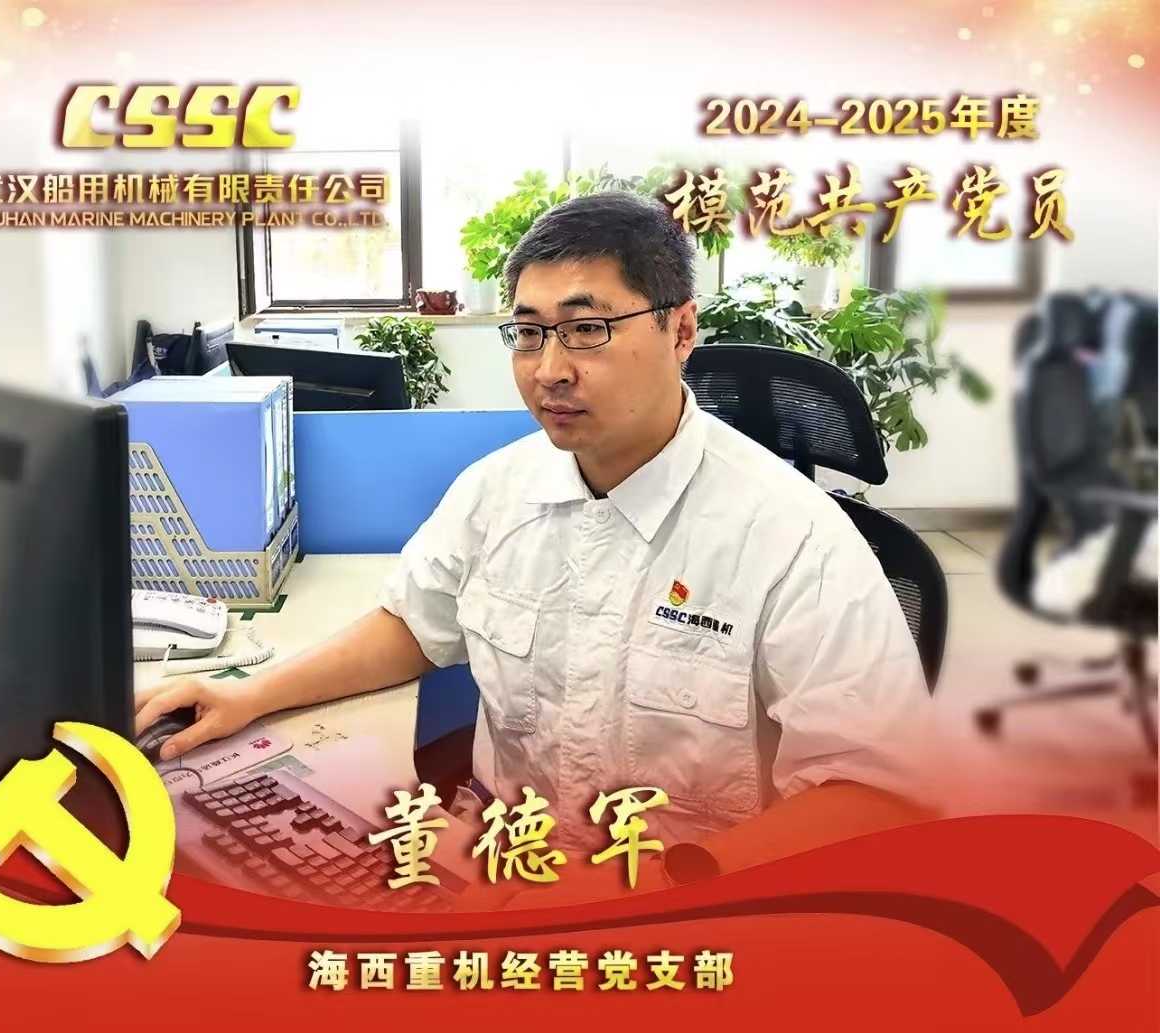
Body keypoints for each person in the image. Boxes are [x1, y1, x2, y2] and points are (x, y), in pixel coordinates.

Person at [136, 192, 934, 898]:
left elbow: (878, 793)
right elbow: (414, 622)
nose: (550, 369)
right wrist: (252, 694)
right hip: (500, 867)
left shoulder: (793, 538)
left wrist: (656, 888)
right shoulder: (497, 490)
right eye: (527, 333)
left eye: (587, 329)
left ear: (681, 329)